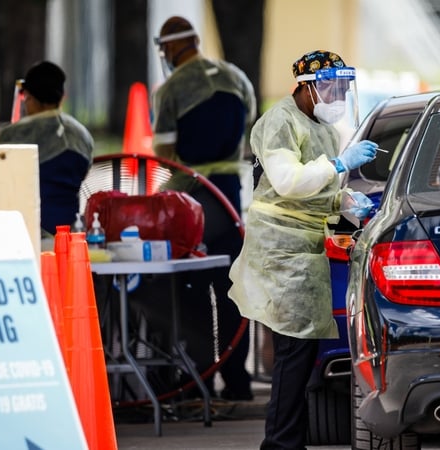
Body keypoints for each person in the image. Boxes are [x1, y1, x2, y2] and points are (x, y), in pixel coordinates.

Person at [228, 50, 377, 449]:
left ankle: (288, 441)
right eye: (332, 88)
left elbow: (320, 195)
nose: (338, 97)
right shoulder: (280, 122)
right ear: (307, 87)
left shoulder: (324, 130)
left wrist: (346, 204)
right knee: (293, 357)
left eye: (343, 89)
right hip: (281, 253)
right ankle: (280, 444)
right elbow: (289, 182)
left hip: (307, 253)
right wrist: (340, 164)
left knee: (303, 357)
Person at [151, 16, 257, 401]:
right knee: (231, 290)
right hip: (228, 196)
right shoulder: (237, 78)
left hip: (190, 198)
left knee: (192, 289)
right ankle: (238, 382)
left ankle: (197, 382)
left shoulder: (170, 90)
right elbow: (247, 129)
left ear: (171, 46)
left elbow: (163, 154)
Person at [0, 60, 94, 237]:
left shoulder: (12, 136)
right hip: (70, 233)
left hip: (23, 233)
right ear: (61, 97)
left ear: (30, 98)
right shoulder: (82, 135)